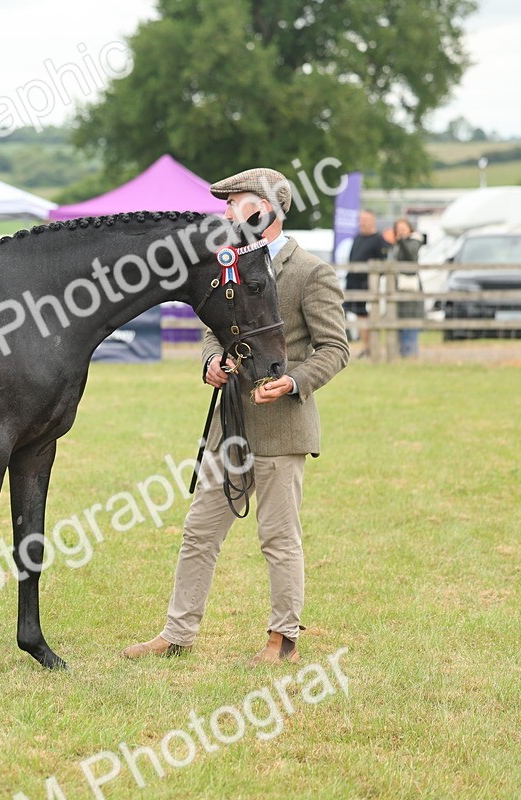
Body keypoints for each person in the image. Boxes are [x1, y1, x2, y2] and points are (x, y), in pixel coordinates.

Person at [123, 167, 350, 666]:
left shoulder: (310, 271)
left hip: (282, 429)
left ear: (265, 208)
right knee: (198, 533)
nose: (227, 212)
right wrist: (212, 362)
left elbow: (335, 348)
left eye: (236, 203)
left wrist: (293, 381)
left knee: (278, 539)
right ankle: (177, 633)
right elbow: (216, 327)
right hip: (229, 429)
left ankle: (283, 638)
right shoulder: (228, 264)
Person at [344, 210, 388, 357]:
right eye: (361, 219)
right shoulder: (358, 238)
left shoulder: (378, 240)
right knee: (360, 316)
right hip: (354, 283)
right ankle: (366, 346)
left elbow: (383, 263)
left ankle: (371, 347)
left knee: (368, 316)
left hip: (368, 285)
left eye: (365, 219)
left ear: (372, 221)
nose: (362, 222)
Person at [390, 218, 424, 358]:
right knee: (400, 318)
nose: (401, 231)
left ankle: (411, 353)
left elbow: (410, 255)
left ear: (410, 228)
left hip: (411, 287)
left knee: (411, 319)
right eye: (398, 229)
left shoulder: (414, 241)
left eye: (403, 228)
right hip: (399, 286)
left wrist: (402, 241)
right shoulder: (397, 245)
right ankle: (403, 352)